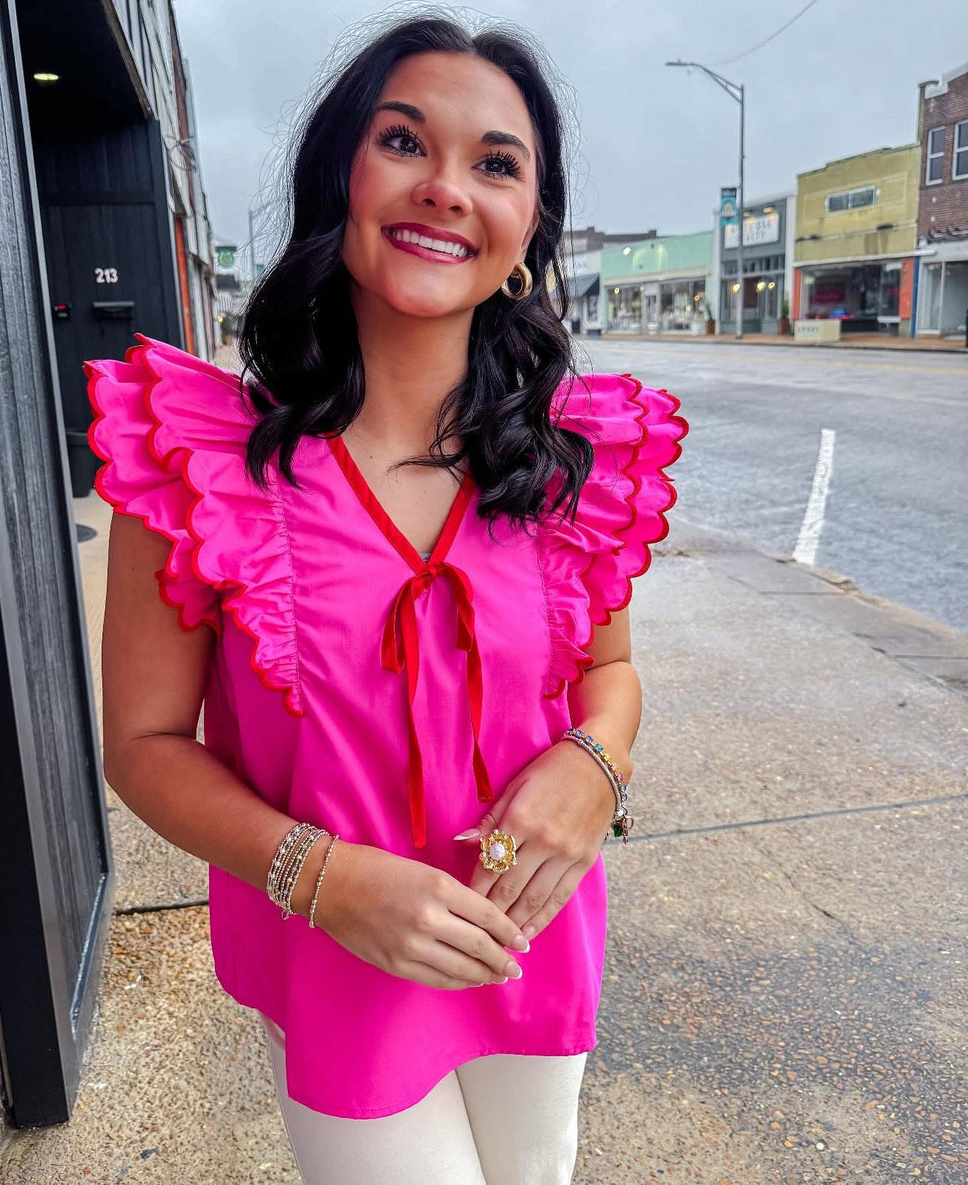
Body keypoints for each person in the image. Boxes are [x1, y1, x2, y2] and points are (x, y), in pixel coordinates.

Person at [84, 11, 688, 1184]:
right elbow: (146, 745)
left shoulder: (571, 465)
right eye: (405, 143)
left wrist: (592, 769)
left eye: (496, 163)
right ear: (339, 183)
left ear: (525, 231)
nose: (447, 188)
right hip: (338, 963)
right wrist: (323, 878)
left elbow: (607, 677)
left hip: (530, 937)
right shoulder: (202, 463)